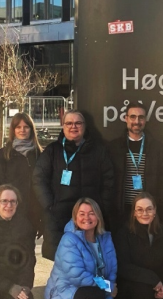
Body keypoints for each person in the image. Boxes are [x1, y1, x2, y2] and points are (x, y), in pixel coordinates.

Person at [45, 198, 125, 299]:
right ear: (75, 217)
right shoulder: (69, 240)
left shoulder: (105, 238)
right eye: (81, 214)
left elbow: (112, 272)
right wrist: (107, 288)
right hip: (63, 294)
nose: (86, 217)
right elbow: (79, 276)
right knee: (94, 294)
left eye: (91, 213)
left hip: (94, 295)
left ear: (98, 217)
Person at [33, 110, 115, 261]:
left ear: (84, 126)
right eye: (69, 123)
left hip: (90, 217)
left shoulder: (98, 150)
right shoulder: (53, 150)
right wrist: (50, 205)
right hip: (59, 216)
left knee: (90, 258)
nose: (73, 127)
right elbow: (39, 179)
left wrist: (102, 205)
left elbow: (109, 179)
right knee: (63, 260)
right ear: (63, 126)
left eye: (78, 123)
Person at [109, 102, 163, 224]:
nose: (137, 121)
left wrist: (157, 202)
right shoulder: (114, 147)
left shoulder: (157, 148)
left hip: (147, 212)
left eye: (141, 117)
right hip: (121, 210)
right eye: (132, 117)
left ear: (145, 120)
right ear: (125, 118)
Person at [0, 112, 43, 239]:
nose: (22, 130)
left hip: (32, 212)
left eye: (26, 127)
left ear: (31, 129)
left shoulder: (40, 154)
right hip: (9, 211)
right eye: (18, 127)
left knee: (28, 253)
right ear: (13, 130)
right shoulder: (3, 154)